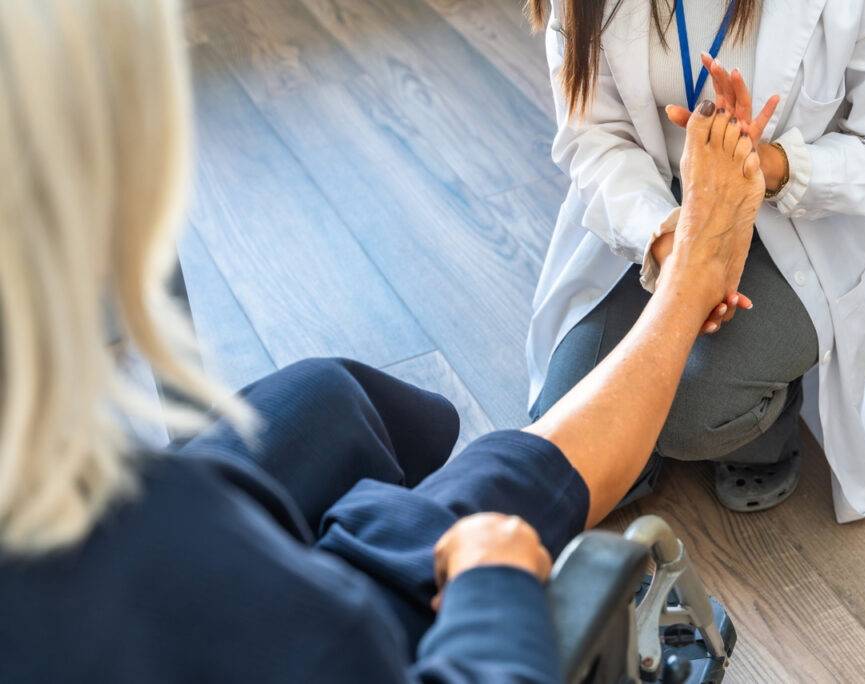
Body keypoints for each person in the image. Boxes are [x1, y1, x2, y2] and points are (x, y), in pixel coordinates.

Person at [0, 0, 765, 681]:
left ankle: (397, 516)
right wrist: (493, 583)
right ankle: (687, 284)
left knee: (324, 400)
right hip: (259, 624)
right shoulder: (154, 544)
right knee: (486, 498)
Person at [526, 0, 865, 518]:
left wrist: (766, 166)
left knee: (690, 414)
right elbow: (594, 135)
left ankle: (772, 417)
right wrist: (671, 245)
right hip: (656, 197)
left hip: (794, 219)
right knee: (566, 426)